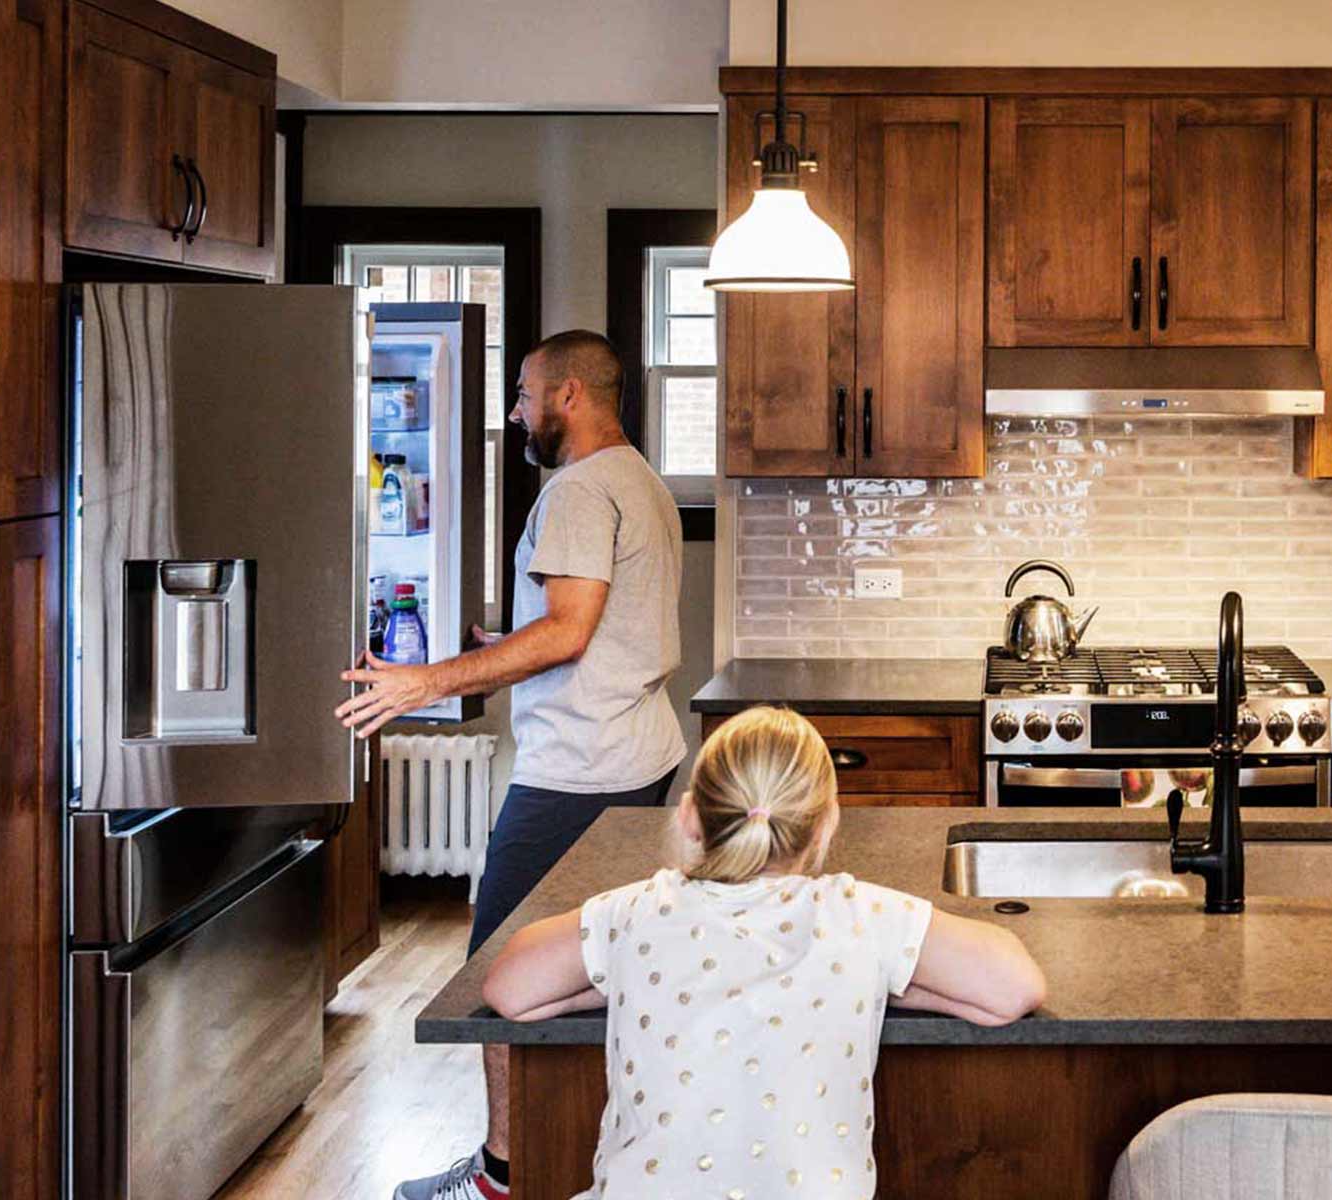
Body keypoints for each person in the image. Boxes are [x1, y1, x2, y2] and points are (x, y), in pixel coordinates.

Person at [336, 330, 688, 1200]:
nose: (517, 413)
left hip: (577, 772)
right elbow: (599, 629)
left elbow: (568, 632)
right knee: (602, 964)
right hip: (635, 754)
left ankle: (504, 1177)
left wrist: (427, 680)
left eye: (526, 396)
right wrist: (497, 647)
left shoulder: (576, 491)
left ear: (569, 395)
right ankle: (584, 1152)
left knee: (498, 972)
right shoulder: (640, 480)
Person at [481, 705, 1048, 1198]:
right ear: (826, 827)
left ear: (689, 816)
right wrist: (895, 977)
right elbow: (1013, 986)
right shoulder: (858, 915)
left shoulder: (637, 912)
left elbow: (508, 989)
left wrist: (615, 972)